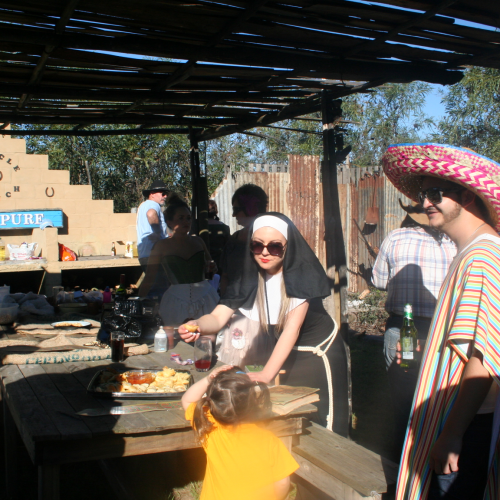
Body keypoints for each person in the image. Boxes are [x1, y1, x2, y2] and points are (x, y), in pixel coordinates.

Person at [382, 143, 500, 500]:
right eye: (423, 195)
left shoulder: (482, 256)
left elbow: (484, 358)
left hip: (468, 422)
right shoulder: (469, 251)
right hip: (460, 418)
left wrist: (451, 434)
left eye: (435, 193)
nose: (425, 203)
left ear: (467, 196)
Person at [180, 213, 350, 434]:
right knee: (288, 416)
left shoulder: (299, 276)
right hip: (284, 353)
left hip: (315, 354)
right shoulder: (249, 277)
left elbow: (292, 329)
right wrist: (198, 324)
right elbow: (218, 317)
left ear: (288, 247)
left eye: (275, 246)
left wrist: (267, 374)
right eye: (257, 245)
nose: (265, 252)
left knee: (320, 420)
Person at [372, 200, 456, 457]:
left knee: (404, 401)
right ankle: (433, 453)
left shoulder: (395, 237)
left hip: (403, 329)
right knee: (438, 396)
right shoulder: (453, 243)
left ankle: (403, 456)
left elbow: (379, 281)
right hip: (442, 330)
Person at [181, 365, 298, 500]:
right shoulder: (268, 439)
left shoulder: (210, 427)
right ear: (253, 403)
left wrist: (208, 379)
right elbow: (283, 483)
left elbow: (187, 400)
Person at [138, 193, 219, 327]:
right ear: (169, 222)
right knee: (177, 333)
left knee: (208, 332)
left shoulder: (198, 241)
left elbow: (210, 268)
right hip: (176, 300)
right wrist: (138, 300)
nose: (186, 222)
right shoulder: (161, 246)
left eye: (188, 218)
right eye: (180, 218)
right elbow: (149, 278)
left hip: (206, 297)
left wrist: (212, 268)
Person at [219, 183, 268, 296]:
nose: (233, 215)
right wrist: (225, 301)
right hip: (234, 302)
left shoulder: (272, 240)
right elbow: (225, 276)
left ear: (251, 207)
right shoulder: (234, 240)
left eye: (236, 209)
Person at [136, 180, 169, 270]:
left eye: (166, 194)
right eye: (162, 194)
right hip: (155, 255)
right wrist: (158, 233)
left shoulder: (143, 206)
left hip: (144, 255)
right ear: (152, 194)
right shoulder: (153, 204)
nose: (165, 196)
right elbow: (151, 214)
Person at [207, 199, 230, 274]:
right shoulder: (224, 228)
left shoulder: (198, 227)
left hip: (203, 264)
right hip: (220, 264)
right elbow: (228, 247)